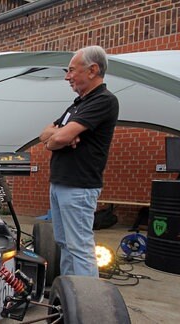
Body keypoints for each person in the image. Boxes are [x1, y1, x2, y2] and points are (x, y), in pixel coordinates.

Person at [39, 45, 119, 277]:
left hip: (79, 187)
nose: (67, 77)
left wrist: (59, 138)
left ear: (92, 70)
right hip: (60, 184)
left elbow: (59, 136)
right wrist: (57, 139)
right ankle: (68, 295)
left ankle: (86, 305)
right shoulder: (78, 104)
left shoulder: (103, 100)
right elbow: (45, 134)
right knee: (64, 244)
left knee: (80, 247)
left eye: (72, 70)